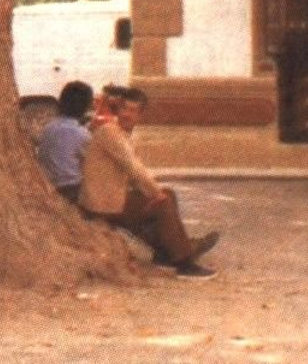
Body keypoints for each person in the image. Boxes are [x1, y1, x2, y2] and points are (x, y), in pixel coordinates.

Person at [78, 85, 221, 279]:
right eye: (124, 109)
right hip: (103, 203)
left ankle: (164, 253)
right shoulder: (109, 132)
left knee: (167, 194)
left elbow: (130, 174)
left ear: (140, 115)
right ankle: (184, 263)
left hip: (113, 198)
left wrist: (153, 192)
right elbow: (134, 168)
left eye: (133, 110)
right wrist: (155, 193)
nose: (127, 114)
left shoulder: (123, 135)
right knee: (163, 202)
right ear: (118, 110)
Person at [36, 80, 94, 202]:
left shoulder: (48, 127)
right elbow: (91, 163)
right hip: (70, 189)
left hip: (45, 182)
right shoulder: (82, 134)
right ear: (86, 107)